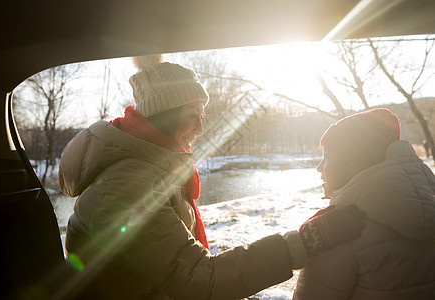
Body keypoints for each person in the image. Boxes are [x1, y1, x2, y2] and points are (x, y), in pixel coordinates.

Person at [59, 55, 365, 299]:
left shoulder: (147, 169)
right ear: (164, 114)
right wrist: (303, 244)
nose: (200, 129)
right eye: (193, 115)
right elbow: (199, 279)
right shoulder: (127, 184)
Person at [294, 108, 435, 299]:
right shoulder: (427, 216)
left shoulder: (336, 232)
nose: (319, 168)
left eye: (327, 157)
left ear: (352, 163)